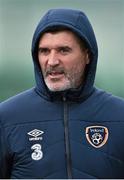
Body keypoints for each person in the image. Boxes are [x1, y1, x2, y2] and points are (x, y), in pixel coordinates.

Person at [0, 8, 124, 179]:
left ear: (88, 55)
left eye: (63, 50)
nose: (52, 61)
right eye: (44, 51)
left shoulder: (120, 115)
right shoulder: (6, 117)